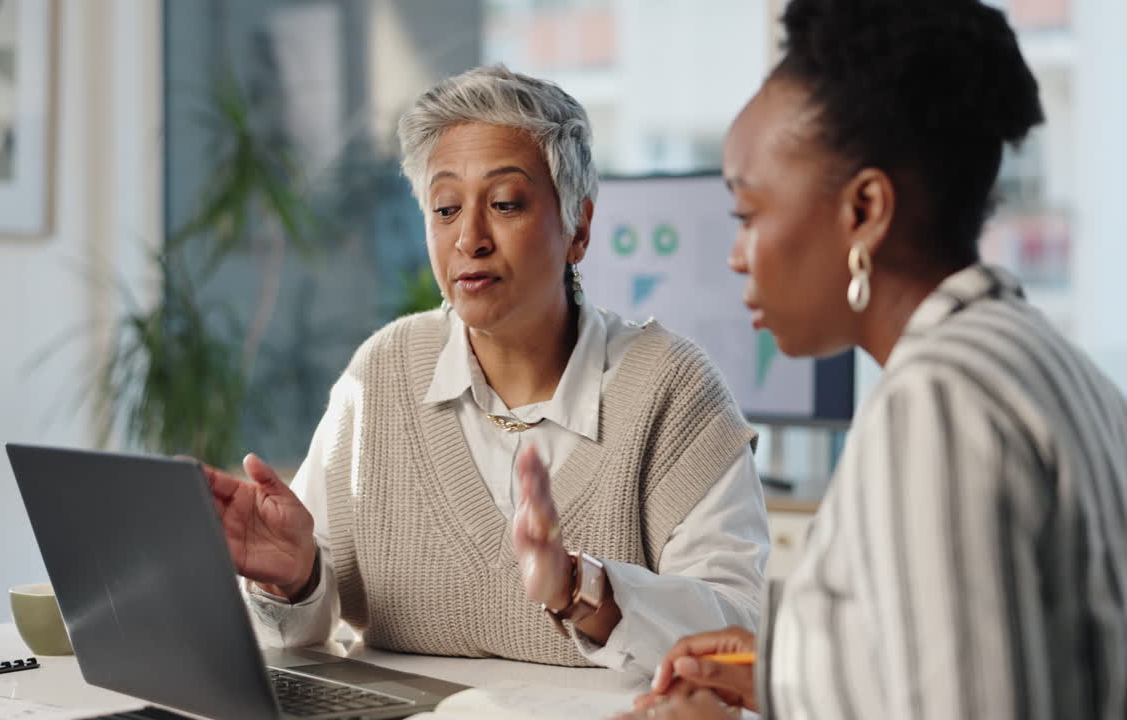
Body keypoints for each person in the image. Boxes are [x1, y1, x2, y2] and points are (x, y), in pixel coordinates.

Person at [619, 1, 1127, 718]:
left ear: (864, 211)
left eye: (747, 215)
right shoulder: (1045, 361)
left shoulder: (938, 408)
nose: (736, 255)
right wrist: (796, 677)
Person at [204, 65, 769, 677]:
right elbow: (304, 636)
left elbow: (739, 637)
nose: (469, 237)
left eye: (504, 203)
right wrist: (296, 579)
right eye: (445, 208)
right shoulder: (384, 375)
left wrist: (581, 588)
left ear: (578, 226)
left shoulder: (671, 389)